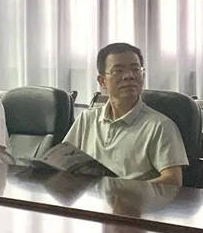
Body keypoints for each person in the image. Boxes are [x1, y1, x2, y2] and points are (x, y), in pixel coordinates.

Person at [63, 43, 188, 185]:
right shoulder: (87, 119)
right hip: (90, 196)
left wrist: (123, 190)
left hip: (135, 198)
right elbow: (62, 163)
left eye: (135, 69)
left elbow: (173, 181)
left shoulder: (160, 126)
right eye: (118, 71)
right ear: (102, 81)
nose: (129, 76)